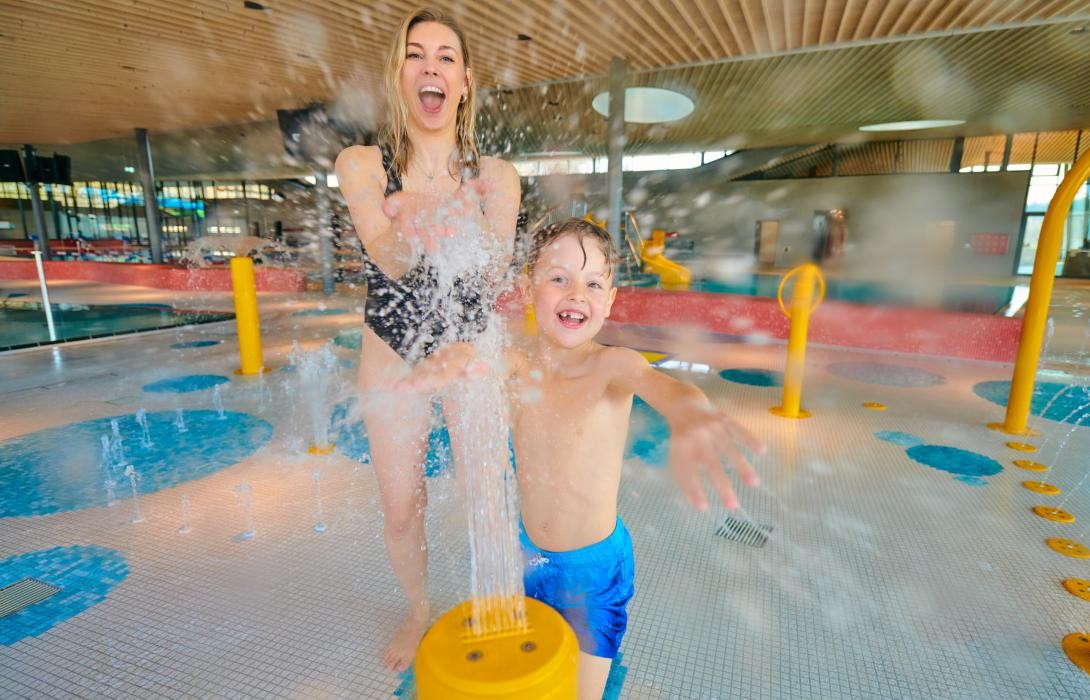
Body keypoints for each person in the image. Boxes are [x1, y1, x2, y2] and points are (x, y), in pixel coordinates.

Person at [401, 218, 764, 699]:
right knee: (529, 683)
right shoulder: (517, 363)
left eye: (593, 283)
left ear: (610, 300)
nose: (576, 294)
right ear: (529, 289)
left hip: (593, 572)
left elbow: (666, 386)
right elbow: (479, 357)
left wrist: (691, 410)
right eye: (559, 279)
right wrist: (457, 355)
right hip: (526, 559)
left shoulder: (611, 365)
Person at [333, 7, 521, 672]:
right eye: (417, 54)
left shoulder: (496, 178)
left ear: (465, 81)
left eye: (446, 56)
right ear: (400, 74)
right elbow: (387, 256)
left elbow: (494, 270)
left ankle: (499, 607)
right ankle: (418, 612)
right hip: (391, 348)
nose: (431, 66)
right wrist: (421, 223)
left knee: (486, 494)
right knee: (401, 505)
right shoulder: (360, 164)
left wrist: (454, 219)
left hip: (467, 349)